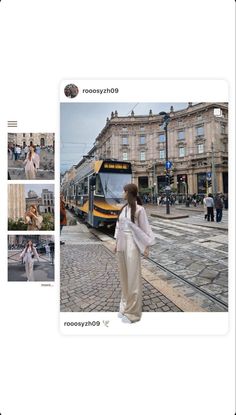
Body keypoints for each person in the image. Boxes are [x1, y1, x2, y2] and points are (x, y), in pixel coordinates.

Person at [114, 183, 155, 324]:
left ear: (129, 193)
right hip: (121, 245)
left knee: (133, 279)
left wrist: (146, 246)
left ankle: (133, 313)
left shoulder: (139, 210)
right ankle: (124, 306)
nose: (122, 193)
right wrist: (116, 244)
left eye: (124, 191)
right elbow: (118, 228)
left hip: (132, 245)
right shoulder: (123, 209)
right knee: (124, 277)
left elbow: (145, 229)